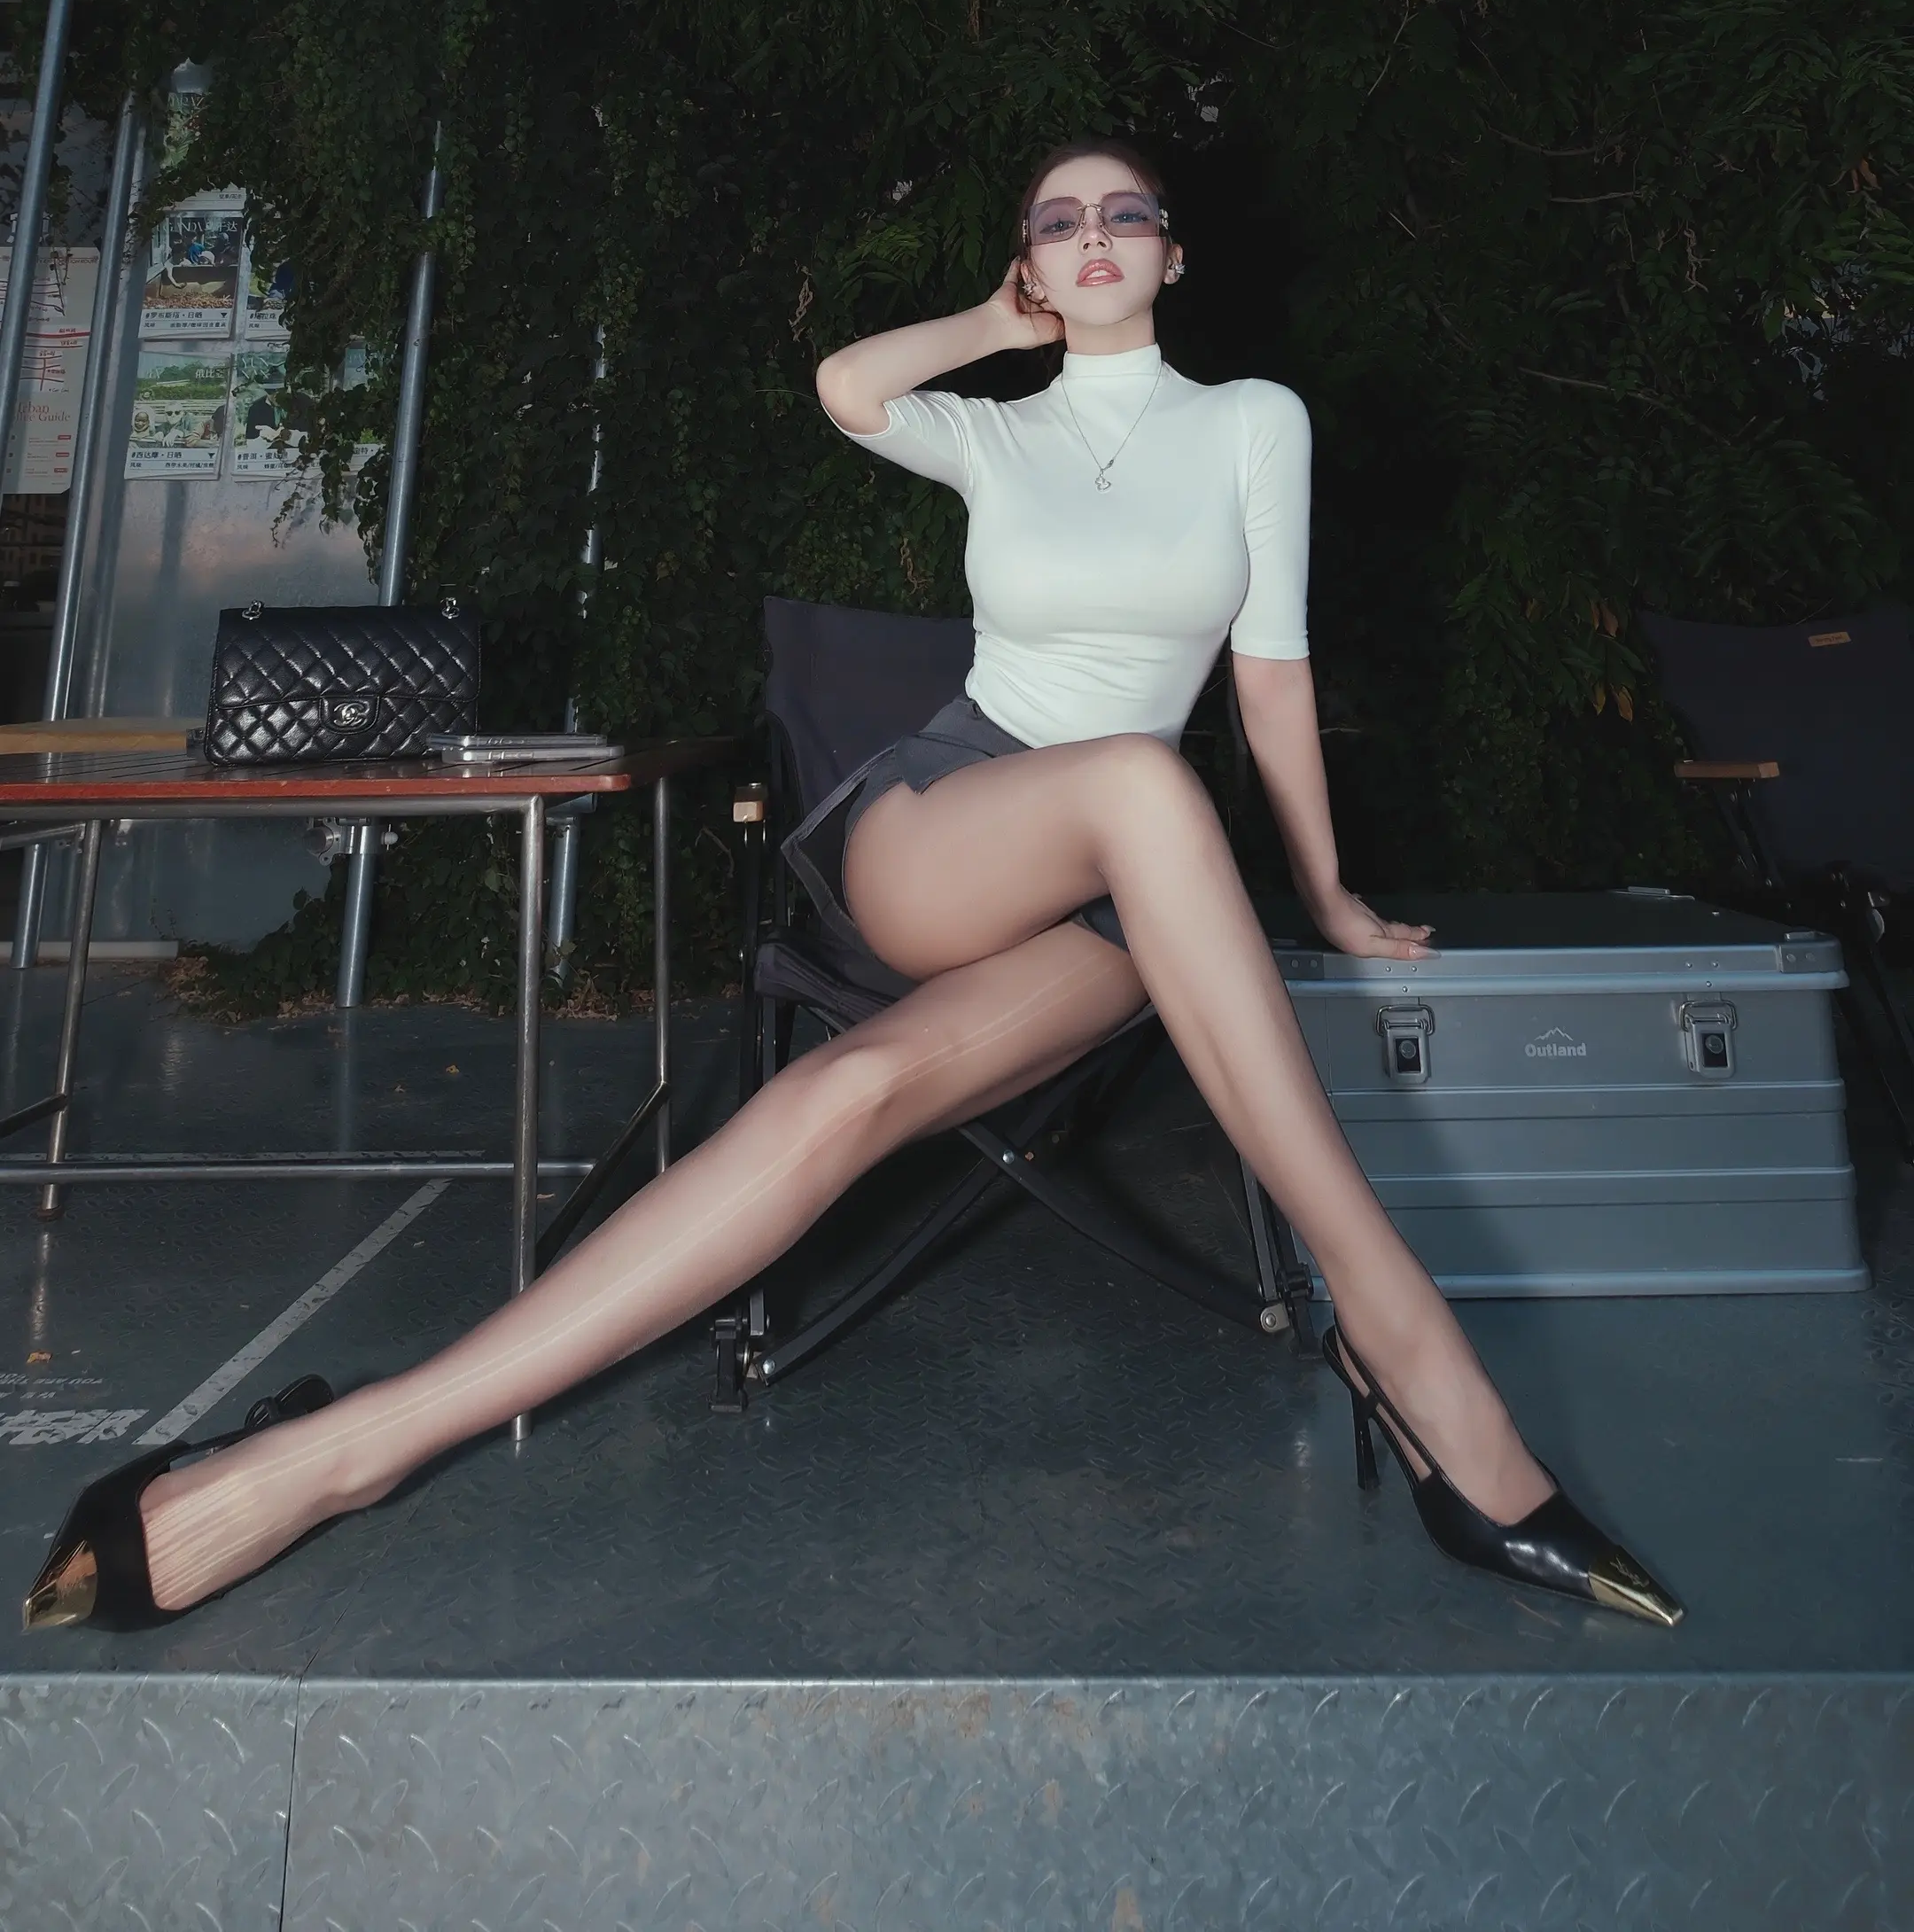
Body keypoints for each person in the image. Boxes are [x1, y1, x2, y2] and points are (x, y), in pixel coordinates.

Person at [24, 140, 1681, 1633]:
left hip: (1133, 883)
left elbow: (1271, 674)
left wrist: (1321, 892)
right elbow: (845, 383)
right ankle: (1415, 1352)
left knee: (849, 1092)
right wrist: (990, 320)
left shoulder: (1256, 423)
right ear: (1036, 263)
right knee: (1137, 776)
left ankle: (345, 1451)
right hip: (947, 827)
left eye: (1127, 212)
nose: (1096, 232)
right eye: (1059, 220)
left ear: (1176, 254)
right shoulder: (997, 427)